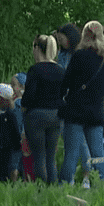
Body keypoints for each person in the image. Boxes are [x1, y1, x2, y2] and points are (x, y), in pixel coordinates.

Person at [58, 21, 104, 186]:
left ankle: (64, 185)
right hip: (96, 110)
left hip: (76, 109)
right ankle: (101, 185)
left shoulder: (79, 55)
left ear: (85, 35)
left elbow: (67, 80)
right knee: (97, 153)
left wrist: (62, 96)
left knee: (72, 152)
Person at [21, 35, 65, 184]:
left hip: (37, 116)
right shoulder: (60, 70)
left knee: (39, 155)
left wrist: (24, 108)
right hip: (56, 115)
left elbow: (28, 97)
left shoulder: (35, 70)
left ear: (37, 48)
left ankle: (41, 188)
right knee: (50, 156)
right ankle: (53, 187)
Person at [54, 23, 91, 184]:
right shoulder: (61, 56)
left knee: (81, 141)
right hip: (64, 100)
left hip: (78, 100)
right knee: (68, 140)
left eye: (62, 39)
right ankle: (68, 178)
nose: (61, 42)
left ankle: (86, 175)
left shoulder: (81, 53)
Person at [0, 83, 20, 183]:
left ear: (1, 98)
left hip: (4, 147)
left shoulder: (8, 114)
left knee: (2, 171)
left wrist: (16, 145)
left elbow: (15, 131)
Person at [9, 73, 26, 182]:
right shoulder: (29, 101)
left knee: (14, 165)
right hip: (27, 136)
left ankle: (12, 187)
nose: (11, 88)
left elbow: (16, 119)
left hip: (17, 137)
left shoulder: (17, 102)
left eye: (13, 85)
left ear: (22, 86)